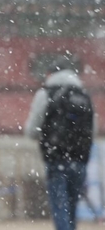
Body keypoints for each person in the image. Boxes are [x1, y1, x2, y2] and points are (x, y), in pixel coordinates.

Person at [24, 57, 95, 230]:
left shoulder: (46, 93)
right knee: (71, 207)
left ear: (49, 74)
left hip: (56, 158)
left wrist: (48, 138)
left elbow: (32, 129)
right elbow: (93, 128)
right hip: (80, 159)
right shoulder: (84, 95)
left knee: (60, 206)